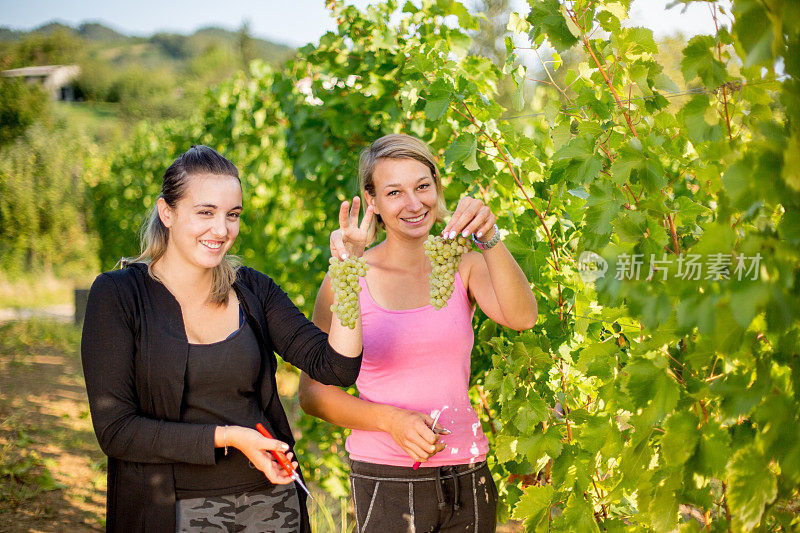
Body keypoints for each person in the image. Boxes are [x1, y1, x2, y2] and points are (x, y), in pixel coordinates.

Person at [81, 145, 369, 533]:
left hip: (271, 505)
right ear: (167, 212)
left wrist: (347, 273)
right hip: (172, 509)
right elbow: (117, 431)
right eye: (206, 212)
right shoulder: (118, 295)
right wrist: (230, 437)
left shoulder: (253, 290)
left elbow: (337, 367)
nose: (222, 229)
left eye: (232, 215)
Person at [298, 133, 538, 532]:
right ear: (371, 201)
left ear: (436, 188)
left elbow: (523, 317)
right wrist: (391, 421)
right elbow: (313, 394)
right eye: (395, 192)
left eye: (423, 186)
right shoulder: (349, 275)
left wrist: (490, 237)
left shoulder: (462, 264)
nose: (414, 203)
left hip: (467, 470)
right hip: (386, 477)